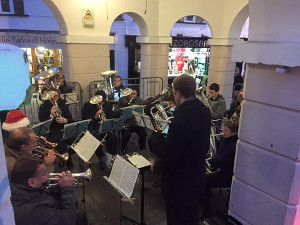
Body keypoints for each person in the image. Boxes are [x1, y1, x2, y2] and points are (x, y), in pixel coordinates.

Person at [161, 74, 211, 225]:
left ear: (178, 93)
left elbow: (171, 158)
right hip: (196, 179)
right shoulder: (204, 111)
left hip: (179, 187)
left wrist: (156, 165)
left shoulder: (180, 120)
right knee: (191, 219)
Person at [10, 157, 87, 225]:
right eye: (44, 173)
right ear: (32, 181)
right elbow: (68, 220)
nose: (48, 175)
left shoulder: (23, 187)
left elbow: (43, 194)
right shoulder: (30, 212)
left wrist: (58, 187)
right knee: (80, 218)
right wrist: (67, 188)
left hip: (50, 209)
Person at [203, 120, 239, 218]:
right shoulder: (228, 140)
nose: (222, 130)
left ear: (234, 132)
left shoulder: (232, 146)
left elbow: (219, 160)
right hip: (222, 169)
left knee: (203, 180)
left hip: (226, 176)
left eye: (225, 129)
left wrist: (206, 160)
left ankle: (206, 209)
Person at [38, 88, 74, 168]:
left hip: (64, 128)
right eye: (53, 96)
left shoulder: (63, 104)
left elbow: (70, 119)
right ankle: (66, 161)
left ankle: (66, 156)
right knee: (61, 144)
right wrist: (51, 115)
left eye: (57, 96)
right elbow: (42, 121)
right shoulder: (43, 107)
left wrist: (65, 120)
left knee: (77, 142)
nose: (55, 98)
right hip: (52, 130)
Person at [81, 90, 115, 170]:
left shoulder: (108, 105)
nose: (100, 104)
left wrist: (107, 120)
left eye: (102, 102)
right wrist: (95, 116)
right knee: (96, 141)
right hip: (92, 128)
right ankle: (102, 159)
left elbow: (111, 116)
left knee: (113, 139)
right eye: (98, 102)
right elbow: (85, 120)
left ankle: (110, 157)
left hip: (104, 128)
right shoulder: (87, 106)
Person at [117, 87, 146, 154]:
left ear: (137, 93)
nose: (132, 95)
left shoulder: (139, 100)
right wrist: (122, 110)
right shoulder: (122, 100)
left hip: (136, 123)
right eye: (131, 93)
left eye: (134, 94)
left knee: (143, 133)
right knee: (126, 134)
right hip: (126, 122)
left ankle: (142, 148)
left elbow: (141, 111)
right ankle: (123, 148)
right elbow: (116, 110)